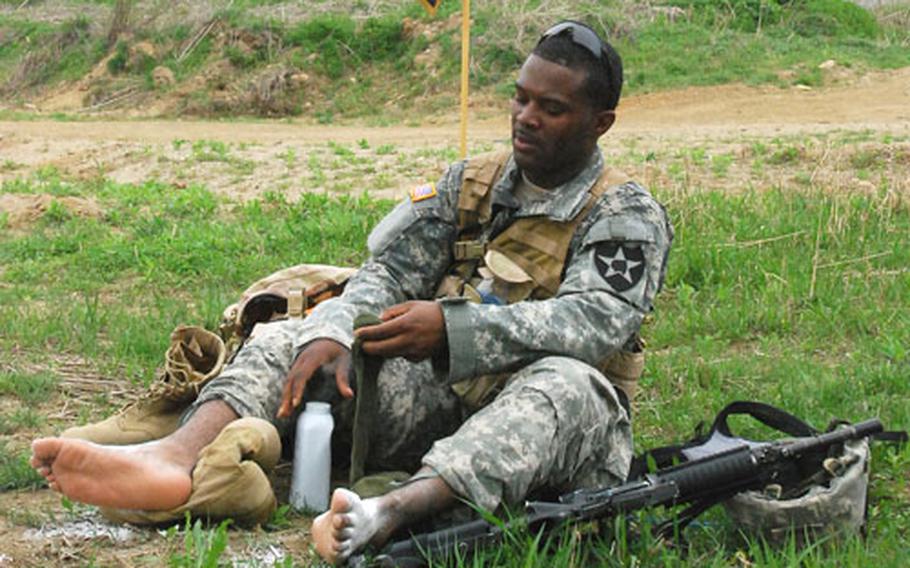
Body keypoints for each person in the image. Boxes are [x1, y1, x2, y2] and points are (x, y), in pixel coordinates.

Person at [31, 20, 673, 564]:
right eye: (520, 98)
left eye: (551, 109)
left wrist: (452, 329)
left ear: (600, 122)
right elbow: (387, 272)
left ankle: (383, 513)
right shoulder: (474, 183)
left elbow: (595, 324)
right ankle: (176, 457)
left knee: (564, 381)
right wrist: (337, 332)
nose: (526, 118)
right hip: (445, 400)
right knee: (295, 335)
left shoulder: (622, 213)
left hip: (559, 426)